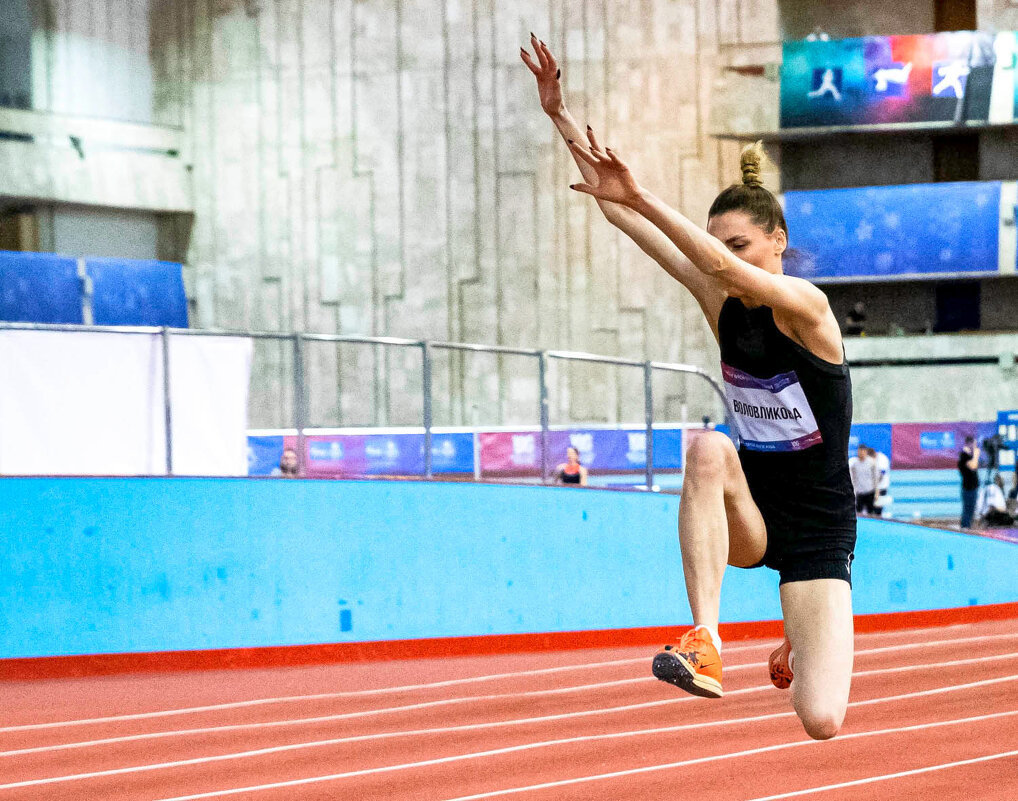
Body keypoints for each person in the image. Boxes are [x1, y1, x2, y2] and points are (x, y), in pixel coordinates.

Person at [523, 35, 855, 741]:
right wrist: (559, 115)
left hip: (819, 534)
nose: (722, 260)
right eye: (718, 246)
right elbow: (618, 210)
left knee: (822, 720)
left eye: (735, 246)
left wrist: (644, 192)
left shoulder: (811, 311)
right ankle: (705, 637)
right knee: (708, 447)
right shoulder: (721, 302)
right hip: (751, 513)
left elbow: (662, 223)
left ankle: (797, 638)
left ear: (777, 243)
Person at [848, 444, 879, 514]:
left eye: (863, 451)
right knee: (858, 512)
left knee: (870, 512)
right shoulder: (854, 463)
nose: (861, 453)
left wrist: (877, 492)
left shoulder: (872, 462)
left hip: (870, 491)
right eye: (860, 451)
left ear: (866, 452)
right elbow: (853, 478)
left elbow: (876, 478)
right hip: (859, 492)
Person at [958, 437, 980, 528]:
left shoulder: (970, 456)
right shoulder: (964, 456)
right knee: (967, 510)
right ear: (969, 444)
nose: (975, 447)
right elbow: (973, 466)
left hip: (973, 487)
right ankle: (965, 527)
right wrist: (976, 455)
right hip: (968, 488)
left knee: (971, 510)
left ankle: (968, 526)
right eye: (974, 444)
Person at [868, 446, 891, 516]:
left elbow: (881, 475)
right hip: (872, 487)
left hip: (881, 486)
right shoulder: (870, 460)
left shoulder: (882, 459)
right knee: (870, 507)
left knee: (878, 507)